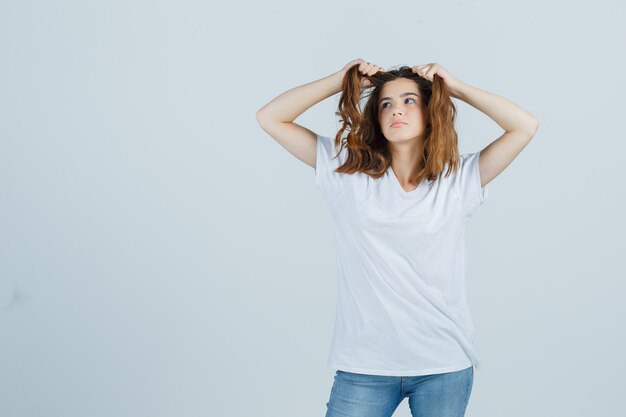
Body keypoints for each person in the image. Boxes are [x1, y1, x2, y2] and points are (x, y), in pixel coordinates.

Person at [256, 59, 539, 417]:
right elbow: (270, 117)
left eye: (409, 101)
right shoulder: (346, 170)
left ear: (430, 111)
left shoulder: (458, 180)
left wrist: (455, 87)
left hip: (443, 364)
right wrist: (340, 81)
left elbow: (525, 127)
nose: (396, 110)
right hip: (365, 366)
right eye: (386, 104)